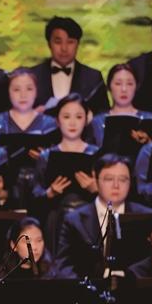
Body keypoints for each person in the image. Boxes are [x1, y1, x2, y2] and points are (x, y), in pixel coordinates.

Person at [55, 154, 152, 278]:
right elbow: (63, 266)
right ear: (95, 180)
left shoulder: (145, 216)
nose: (116, 185)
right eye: (109, 179)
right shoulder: (74, 220)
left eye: (123, 180)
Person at [31, 93, 98, 251]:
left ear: (86, 120)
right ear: (57, 121)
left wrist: (95, 189)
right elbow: (34, 192)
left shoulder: (97, 154)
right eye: (66, 117)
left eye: (78, 117)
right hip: (56, 219)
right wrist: (50, 192)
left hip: (88, 218)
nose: (72, 123)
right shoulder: (46, 156)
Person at [30, 16, 108, 113]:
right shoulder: (32, 76)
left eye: (70, 42)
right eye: (58, 42)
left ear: (78, 44)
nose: (64, 48)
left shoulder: (93, 78)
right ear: (49, 44)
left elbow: (103, 115)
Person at [87, 64, 152, 152]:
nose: (124, 89)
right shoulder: (96, 122)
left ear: (136, 86)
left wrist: (148, 142)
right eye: (118, 83)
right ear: (109, 87)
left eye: (129, 84)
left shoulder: (151, 119)